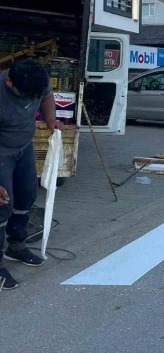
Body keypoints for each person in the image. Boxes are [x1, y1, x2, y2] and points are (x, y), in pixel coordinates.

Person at [0, 60, 62, 290]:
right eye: (24, 96)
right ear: (9, 82)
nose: (29, 100)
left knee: (27, 196)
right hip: (1, 152)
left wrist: (50, 119)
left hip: (23, 148)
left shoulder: (36, 80)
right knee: (3, 204)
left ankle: (16, 246)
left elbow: (46, 96)